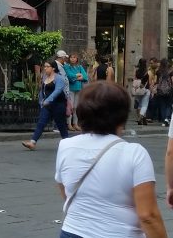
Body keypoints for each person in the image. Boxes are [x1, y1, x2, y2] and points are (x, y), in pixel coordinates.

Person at [57, 81, 166, 238]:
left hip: (73, 231)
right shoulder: (134, 153)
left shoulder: (65, 146)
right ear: (121, 116)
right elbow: (148, 216)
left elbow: (66, 190)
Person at [22, 59, 69, 150]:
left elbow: (57, 91)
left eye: (48, 67)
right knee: (41, 122)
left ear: (53, 68)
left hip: (58, 104)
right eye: (45, 66)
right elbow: (42, 91)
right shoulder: (44, 77)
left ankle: (68, 143)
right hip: (47, 105)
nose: (45, 68)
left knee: (61, 125)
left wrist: (48, 100)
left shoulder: (59, 78)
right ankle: (32, 142)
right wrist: (41, 101)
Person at [64, 53, 88, 131]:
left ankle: (75, 124)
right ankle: (69, 124)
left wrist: (77, 76)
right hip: (70, 89)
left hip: (78, 89)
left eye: (75, 57)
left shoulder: (79, 66)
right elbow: (69, 76)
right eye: (71, 57)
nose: (73, 59)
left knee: (76, 107)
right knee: (70, 107)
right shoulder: (67, 66)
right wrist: (78, 76)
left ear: (77, 59)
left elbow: (85, 76)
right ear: (69, 58)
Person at [133, 58, 151, 125]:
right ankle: (140, 117)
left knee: (140, 104)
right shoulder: (147, 71)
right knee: (145, 105)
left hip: (138, 90)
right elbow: (148, 80)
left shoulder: (136, 70)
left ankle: (143, 119)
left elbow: (134, 79)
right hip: (145, 89)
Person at [156, 59, 173, 127]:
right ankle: (166, 119)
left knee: (162, 105)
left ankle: (164, 120)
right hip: (169, 90)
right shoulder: (170, 72)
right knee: (168, 105)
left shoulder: (158, 72)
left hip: (160, 91)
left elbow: (157, 82)